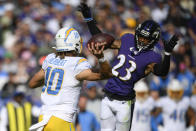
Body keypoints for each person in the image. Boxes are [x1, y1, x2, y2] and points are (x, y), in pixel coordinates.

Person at [78, 3, 179, 131]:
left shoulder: (152, 57)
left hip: (124, 102)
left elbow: (161, 72)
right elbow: (102, 40)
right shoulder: (127, 39)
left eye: (146, 39)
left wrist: (167, 54)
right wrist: (89, 20)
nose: (141, 40)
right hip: (107, 96)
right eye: (141, 36)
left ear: (153, 40)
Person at [28, 27, 111, 131]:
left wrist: (53, 80)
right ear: (75, 44)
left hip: (43, 119)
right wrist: (101, 58)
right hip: (61, 120)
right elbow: (106, 75)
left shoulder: (50, 59)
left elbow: (32, 83)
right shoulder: (77, 63)